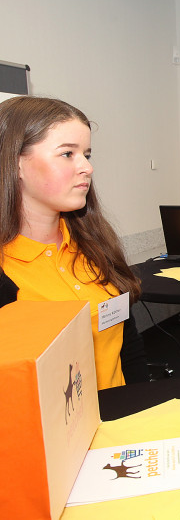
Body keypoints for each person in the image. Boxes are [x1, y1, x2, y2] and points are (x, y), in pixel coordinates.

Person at [0, 96, 148, 390]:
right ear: (15, 163)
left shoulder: (95, 246)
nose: (87, 168)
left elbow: (126, 344)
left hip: (120, 421)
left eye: (87, 154)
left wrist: (142, 404)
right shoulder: (7, 272)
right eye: (68, 154)